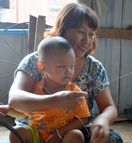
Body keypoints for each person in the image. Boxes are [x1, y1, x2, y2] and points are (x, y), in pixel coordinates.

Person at [8, 3, 122, 143]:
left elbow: (109, 107)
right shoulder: (35, 61)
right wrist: (54, 101)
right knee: (17, 134)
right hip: (35, 128)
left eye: (91, 34)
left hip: (73, 132)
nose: (87, 40)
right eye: (81, 32)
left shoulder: (94, 68)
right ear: (63, 30)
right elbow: (14, 98)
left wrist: (103, 119)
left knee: (112, 138)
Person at [9, 36, 90, 143]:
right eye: (62, 66)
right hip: (37, 134)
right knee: (16, 132)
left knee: (76, 135)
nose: (69, 71)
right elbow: (25, 111)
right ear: (42, 66)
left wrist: (60, 133)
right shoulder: (35, 89)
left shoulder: (74, 93)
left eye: (72, 66)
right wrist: (7, 110)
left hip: (62, 137)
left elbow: (83, 118)